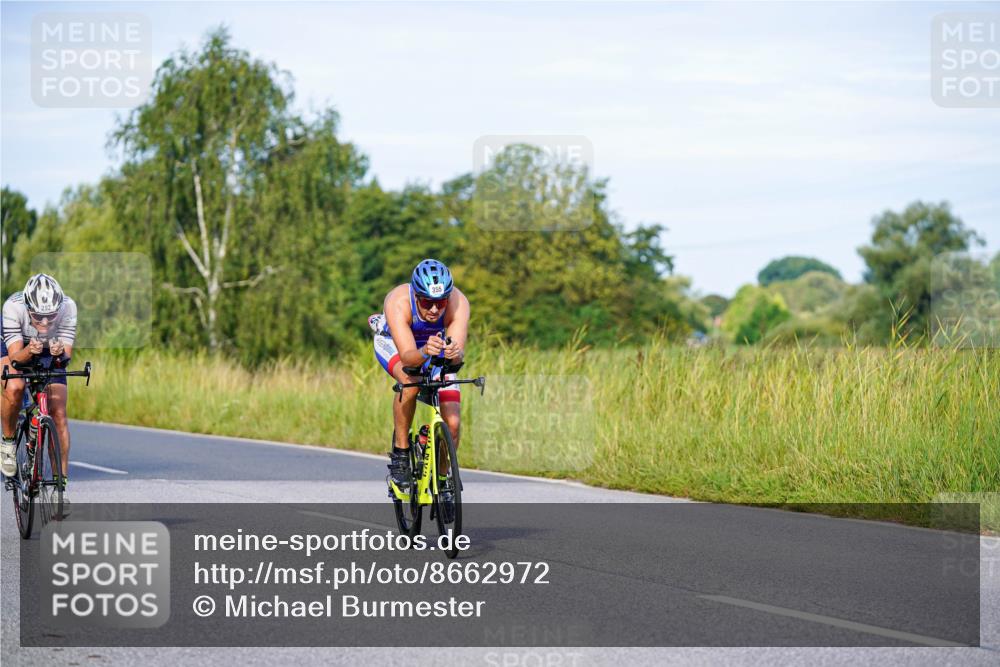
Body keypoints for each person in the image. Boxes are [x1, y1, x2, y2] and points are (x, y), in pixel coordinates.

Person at [369, 259, 470, 495]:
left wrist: (454, 354)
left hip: (433, 345)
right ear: (415, 295)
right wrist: (424, 351)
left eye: (440, 302)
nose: (434, 309)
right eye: (426, 302)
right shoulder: (398, 301)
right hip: (396, 344)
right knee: (410, 382)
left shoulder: (459, 302)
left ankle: (443, 481)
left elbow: (455, 360)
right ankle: (401, 454)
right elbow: (408, 358)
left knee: (453, 424)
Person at [1, 274, 78, 513]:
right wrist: (29, 351)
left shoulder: (68, 307)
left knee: (59, 414)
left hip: (47, 349)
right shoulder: (13, 308)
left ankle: (60, 488)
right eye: (38, 317)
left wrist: (58, 354)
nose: (44, 322)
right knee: (15, 388)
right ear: (28, 308)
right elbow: (16, 358)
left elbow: (65, 358)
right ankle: (8, 443)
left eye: (51, 317)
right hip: (17, 346)